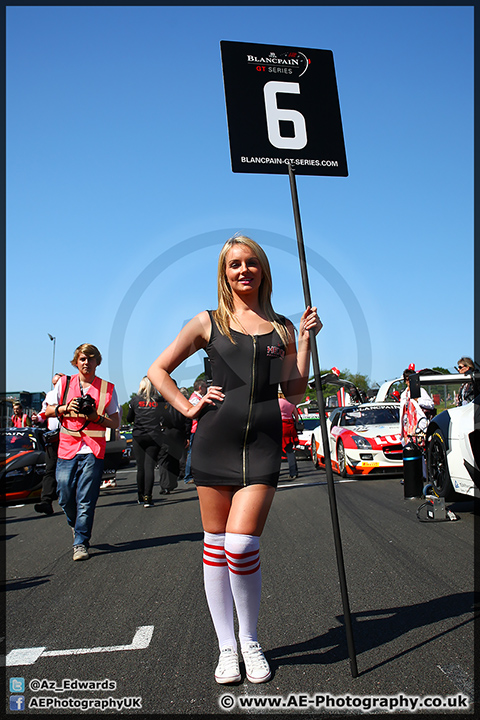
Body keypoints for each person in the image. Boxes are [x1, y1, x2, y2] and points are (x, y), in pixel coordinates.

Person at [148, 234, 322, 685]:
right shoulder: (207, 321)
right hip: (214, 441)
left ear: (263, 270)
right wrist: (188, 406)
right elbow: (157, 369)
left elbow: (295, 392)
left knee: (241, 545)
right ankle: (226, 646)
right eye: (234, 265)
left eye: (251, 263)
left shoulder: (283, 326)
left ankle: (249, 639)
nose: (243, 270)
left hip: (263, 444)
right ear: (224, 274)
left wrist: (304, 341)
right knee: (215, 545)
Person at [45, 344, 120, 561]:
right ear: (76, 361)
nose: (87, 362)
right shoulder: (64, 383)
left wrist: (95, 416)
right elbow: (47, 411)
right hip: (67, 447)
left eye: (91, 359)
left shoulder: (107, 388)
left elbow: (115, 421)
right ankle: (76, 525)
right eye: (83, 358)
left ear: (98, 362)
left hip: (93, 449)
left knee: (86, 499)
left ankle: (81, 542)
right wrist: (65, 408)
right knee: (65, 496)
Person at [127, 376, 166, 507]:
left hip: (138, 435)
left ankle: (140, 495)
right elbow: (165, 416)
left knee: (141, 467)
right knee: (149, 467)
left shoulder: (135, 400)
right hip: (154, 435)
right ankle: (148, 497)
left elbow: (128, 418)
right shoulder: (159, 400)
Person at [32, 372, 65, 516]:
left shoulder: (70, 393)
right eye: (54, 383)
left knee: (69, 468)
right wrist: (36, 418)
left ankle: (71, 498)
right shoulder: (50, 395)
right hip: (53, 437)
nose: (56, 385)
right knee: (50, 469)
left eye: (58, 382)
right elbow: (43, 413)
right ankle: (46, 501)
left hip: (68, 435)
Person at [399, 367, 435, 445]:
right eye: (407, 379)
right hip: (407, 428)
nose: (409, 381)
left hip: (419, 426)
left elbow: (431, 405)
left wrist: (418, 401)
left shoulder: (421, 391)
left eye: (411, 379)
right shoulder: (403, 395)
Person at [183, 379, 207, 484]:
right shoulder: (194, 399)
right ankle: (188, 476)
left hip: (198, 428)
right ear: (201, 388)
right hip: (195, 428)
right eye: (205, 387)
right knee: (192, 452)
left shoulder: (198, 398)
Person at [278, 390, 300, 479]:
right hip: (290, 427)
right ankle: (293, 472)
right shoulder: (291, 403)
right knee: (290, 451)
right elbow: (296, 417)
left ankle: (275, 473)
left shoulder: (278, 402)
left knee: (276, 452)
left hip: (279, 426)